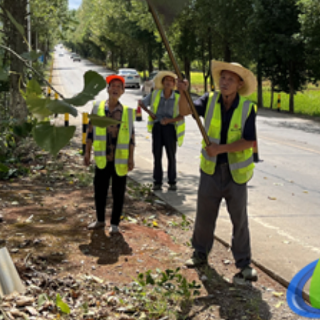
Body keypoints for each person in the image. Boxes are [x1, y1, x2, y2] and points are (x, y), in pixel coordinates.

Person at [178, 61, 258, 281]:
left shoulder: (247, 107)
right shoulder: (209, 100)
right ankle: (199, 254)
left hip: (236, 174)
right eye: (222, 78)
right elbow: (185, 111)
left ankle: (244, 264)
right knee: (204, 215)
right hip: (211, 171)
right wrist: (182, 92)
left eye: (230, 79)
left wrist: (220, 149)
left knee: (239, 219)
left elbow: (249, 141)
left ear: (239, 84)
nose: (224, 82)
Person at [84, 75, 135, 234]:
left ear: (122, 91)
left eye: (118, 87)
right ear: (107, 89)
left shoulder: (127, 112)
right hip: (101, 158)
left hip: (119, 160)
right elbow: (90, 132)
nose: (115, 89)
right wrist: (87, 153)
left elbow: (131, 137)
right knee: (100, 190)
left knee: (118, 193)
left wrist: (131, 158)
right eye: (112, 86)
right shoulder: (97, 107)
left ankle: (114, 224)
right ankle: (100, 220)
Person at [140, 71, 185, 191]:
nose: (168, 83)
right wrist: (151, 114)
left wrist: (170, 120)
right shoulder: (155, 94)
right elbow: (141, 103)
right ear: (163, 82)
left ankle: (172, 182)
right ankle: (157, 182)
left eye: (171, 81)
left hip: (170, 129)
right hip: (157, 128)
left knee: (171, 156)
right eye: (166, 80)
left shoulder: (178, 97)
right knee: (157, 155)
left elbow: (182, 115)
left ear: (174, 84)